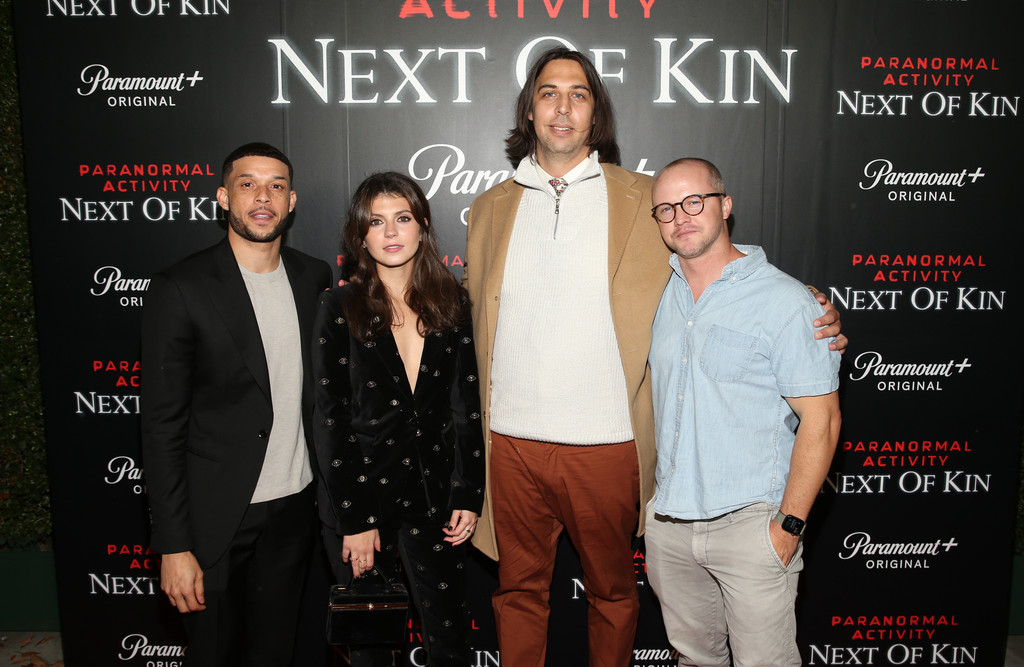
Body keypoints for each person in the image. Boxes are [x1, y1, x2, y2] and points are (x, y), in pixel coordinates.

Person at [463, 47, 846, 667]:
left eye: (579, 94)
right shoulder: (489, 208)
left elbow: (708, 254)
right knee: (517, 595)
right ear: (528, 110)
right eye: (548, 93)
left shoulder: (643, 199)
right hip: (510, 442)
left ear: (596, 114)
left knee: (614, 596)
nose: (563, 107)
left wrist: (807, 306)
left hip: (608, 443)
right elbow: (470, 310)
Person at [141, 142, 333, 666]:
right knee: (214, 655)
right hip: (214, 518)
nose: (262, 197)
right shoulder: (181, 287)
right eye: (247, 185)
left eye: (276, 186)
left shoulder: (313, 276)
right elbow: (161, 426)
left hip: (294, 508)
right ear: (224, 197)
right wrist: (174, 545)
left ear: (291, 201)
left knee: (275, 652)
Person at [644, 158, 842, 666]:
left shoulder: (787, 301)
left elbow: (821, 421)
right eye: (666, 209)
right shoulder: (654, 294)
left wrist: (788, 527)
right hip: (670, 523)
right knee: (694, 660)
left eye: (694, 201)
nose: (681, 217)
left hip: (752, 524)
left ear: (725, 204)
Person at [313, 172, 485, 666]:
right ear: (360, 235)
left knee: (451, 643)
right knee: (370, 649)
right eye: (376, 222)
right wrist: (356, 519)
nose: (390, 232)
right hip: (362, 499)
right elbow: (329, 419)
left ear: (423, 226)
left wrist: (468, 494)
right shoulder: (338, 306)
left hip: (435, 500)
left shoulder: (452, 301)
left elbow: (465, 406)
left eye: (402, 218)